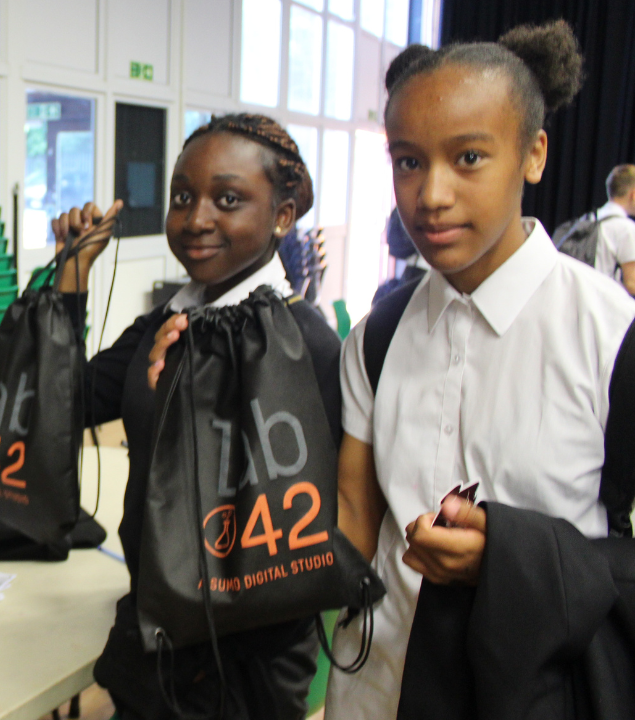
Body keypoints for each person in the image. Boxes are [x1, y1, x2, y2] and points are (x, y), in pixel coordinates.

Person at [316, 21, 633, 719]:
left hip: (539, 692)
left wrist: (512, 562)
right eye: (407, 161)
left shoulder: (611, 335)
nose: (430, 194)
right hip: (378, 688)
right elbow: (354, 524)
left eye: (467, 158)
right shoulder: (378, 335)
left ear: (533, 153)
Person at [62, 113, 338, 719]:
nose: (196, 219)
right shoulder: (167, 323)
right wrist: (72, 276)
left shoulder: (303, 346)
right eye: (182, 197)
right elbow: (65, 405)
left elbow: (296, 540)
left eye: (228, 199)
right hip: (153, 642)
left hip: (243, 675)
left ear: (282, 216)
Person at [594, 164, 635, 295]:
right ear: (633, 195)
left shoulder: (589, 219)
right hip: (604, 306)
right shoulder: (626, 228)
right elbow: (631, 283)